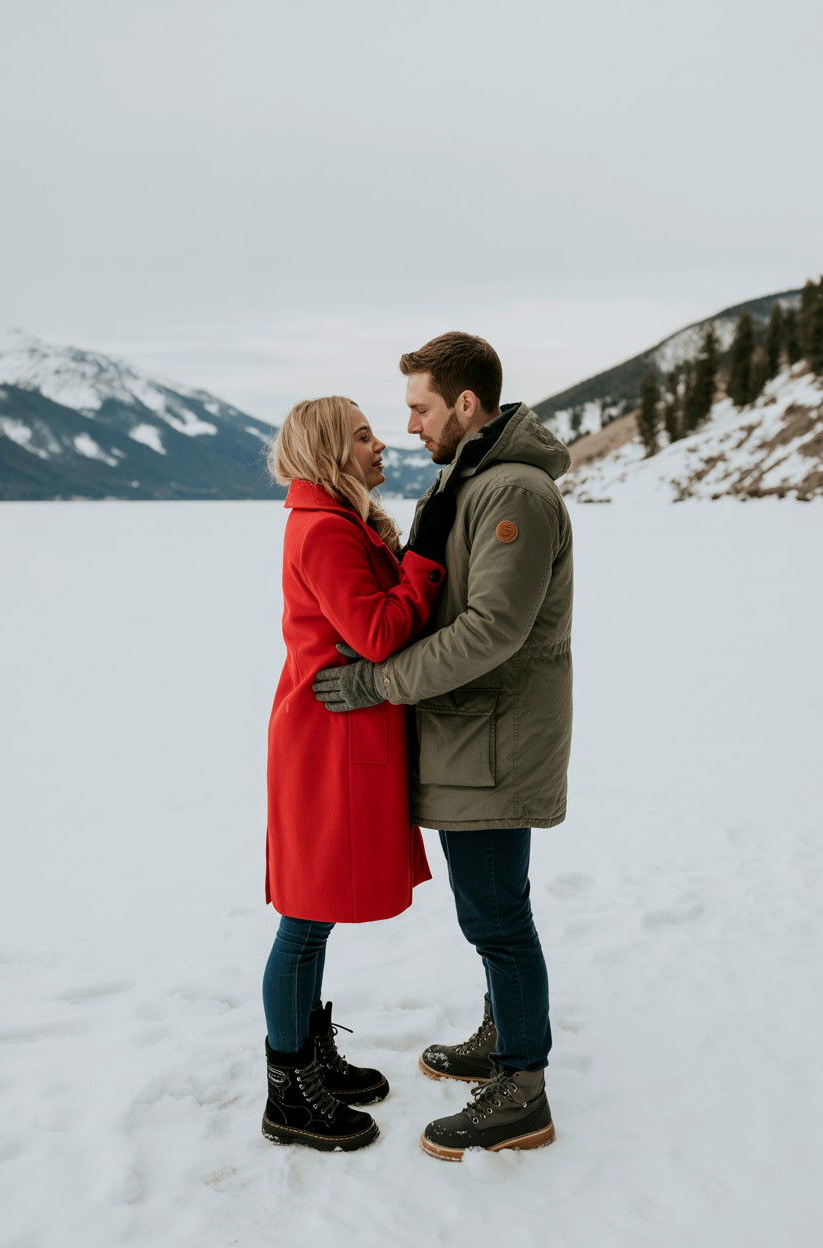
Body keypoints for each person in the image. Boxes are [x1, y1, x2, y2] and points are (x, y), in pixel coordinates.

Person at [313, 332, 574, 1161]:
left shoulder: (513, 494)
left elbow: (492, 630)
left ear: (467, 404)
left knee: (499, 916)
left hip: (495, 742)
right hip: (473, 736)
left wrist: (377, 683)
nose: (410, 428)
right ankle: (505, 1042)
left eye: (421, 409)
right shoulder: (470, 481)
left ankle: (522, 1089)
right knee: (490, 910)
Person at [261, 394, 456, 1152]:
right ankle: (289, 1092)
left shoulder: (334, 522)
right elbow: (376, 633)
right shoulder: (323, 532)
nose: (382, 444)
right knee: (304, 920)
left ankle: (309, 1058)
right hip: (325, 744)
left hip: (334, 736)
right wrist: (426, 562)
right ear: (328, 454)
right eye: (364, 437)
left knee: (315, 916)